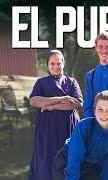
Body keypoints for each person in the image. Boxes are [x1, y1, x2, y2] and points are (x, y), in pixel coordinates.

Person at [28, 49, 83, 180]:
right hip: (47, 128)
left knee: (68, 156)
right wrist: (61, 99)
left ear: (63, 64)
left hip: (68, 126)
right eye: (52, 63)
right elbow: (34, 101)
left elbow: (77, 103)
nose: (56, 66)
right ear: (47, 65)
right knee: (47, 157)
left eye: (59, 63)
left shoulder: (71, 82)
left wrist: (51, 107)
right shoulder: (41, 82)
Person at [64, 90, 108, 179]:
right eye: (100, 109)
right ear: (94, 112)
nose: (104, 113)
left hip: (93, 167)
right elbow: (74, 160)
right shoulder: (83, 126)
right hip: (67, 163)